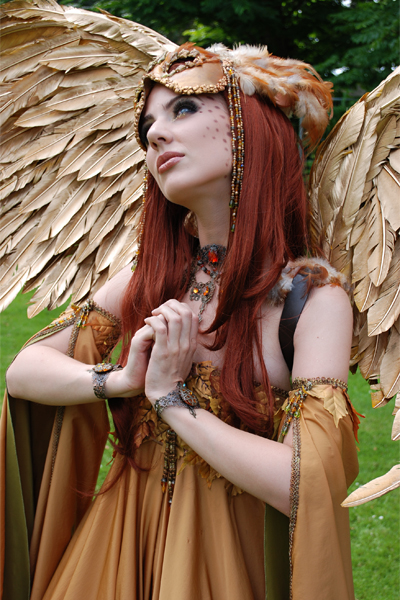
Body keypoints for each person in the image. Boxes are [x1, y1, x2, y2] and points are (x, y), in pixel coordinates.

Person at [2, 44, 359, 600]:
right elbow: (23, 371)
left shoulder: (312, 298)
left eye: (184, 108)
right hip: (114, 555)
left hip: (229, 566)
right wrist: (121, 379)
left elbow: (307, 483)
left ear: (249, 126)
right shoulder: (147, 277)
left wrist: (171, 400)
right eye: (147, 126)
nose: (155, 136)